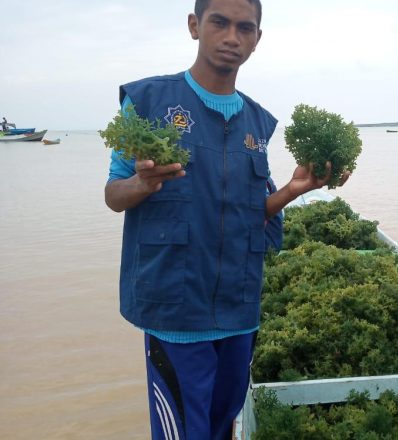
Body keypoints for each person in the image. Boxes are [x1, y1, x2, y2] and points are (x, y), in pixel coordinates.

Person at [104, 1, 345, 438]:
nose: (232, 37)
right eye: (219, 22)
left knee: (222, 427)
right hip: (176, 311)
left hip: (239, 308)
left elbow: (252, 213)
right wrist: (143, 183)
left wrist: (294, 190)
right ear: (195, 26)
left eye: (245, 27)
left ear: (257, 38)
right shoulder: (148, 101)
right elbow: (113, 195)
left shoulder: (256, 121)